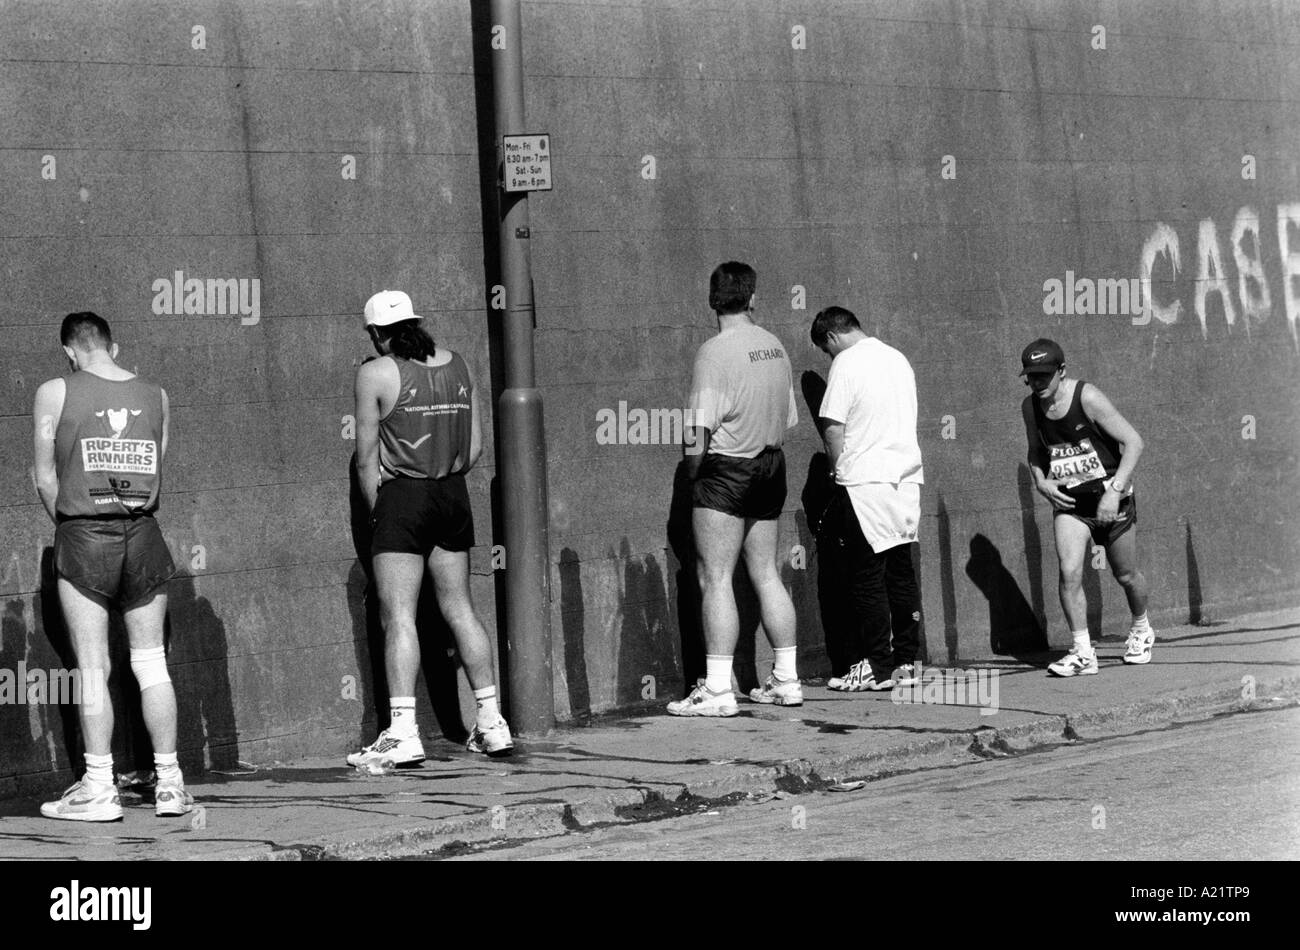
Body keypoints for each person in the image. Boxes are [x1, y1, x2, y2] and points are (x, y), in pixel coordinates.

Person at [33, 312, 192, 821]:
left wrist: (73, 525)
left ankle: (100, 787)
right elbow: (157, 466)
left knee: (93, 667)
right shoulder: (157, 394)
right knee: (151, 663)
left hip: (83, 535)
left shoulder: (54, 391)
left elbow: (43, 477)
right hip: (144, 534)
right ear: (113, 347)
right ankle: (170, 785)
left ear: (70, 352)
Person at [349, 289, 513, 765]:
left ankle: (402, 732)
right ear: (415, 323)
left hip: (404, 495)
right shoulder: (459, 364)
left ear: (378, 335)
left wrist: (381, 507)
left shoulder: (374, 372)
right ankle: (491, 723)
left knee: (398, 615)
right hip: (452, 493)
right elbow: (476, 447)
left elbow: (365, 459)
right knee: (460, 607)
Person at [668, 261, 802, 715]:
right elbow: (787, 419)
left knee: (716, 577)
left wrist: (693, 472)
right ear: (752, 297)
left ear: (711, 300)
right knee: (766, 573)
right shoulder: (775, 345)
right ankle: (787, 680)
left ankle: (719, 690)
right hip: (771, 464)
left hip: (727, 471)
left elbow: (696, 432)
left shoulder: (713, 352)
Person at [1019, 338, 1154, 676]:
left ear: (1061, 371)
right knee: (1069, 572)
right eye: (1031, 377)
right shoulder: (1030, 407)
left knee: (1126, 574)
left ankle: (1141, 628)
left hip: (1112, 498)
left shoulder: (1088, 397)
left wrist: (1115, 491)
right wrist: (1040, 480)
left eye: (1043, 376)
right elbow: (1035, 450)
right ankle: (1082, 652)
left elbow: (1133, 441)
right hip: (1071, 503)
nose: (1037, 383)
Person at [811, 307, 924, 692]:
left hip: (863, 483)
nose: (829, 357)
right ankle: (907, 663)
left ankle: (877, 665)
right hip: (906, 481)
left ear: (831, 338)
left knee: (866, 577)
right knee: (900, 571)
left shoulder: (845, 363)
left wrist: (837, 470)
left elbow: (832, 428)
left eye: (826, 351)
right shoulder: (898, 359)